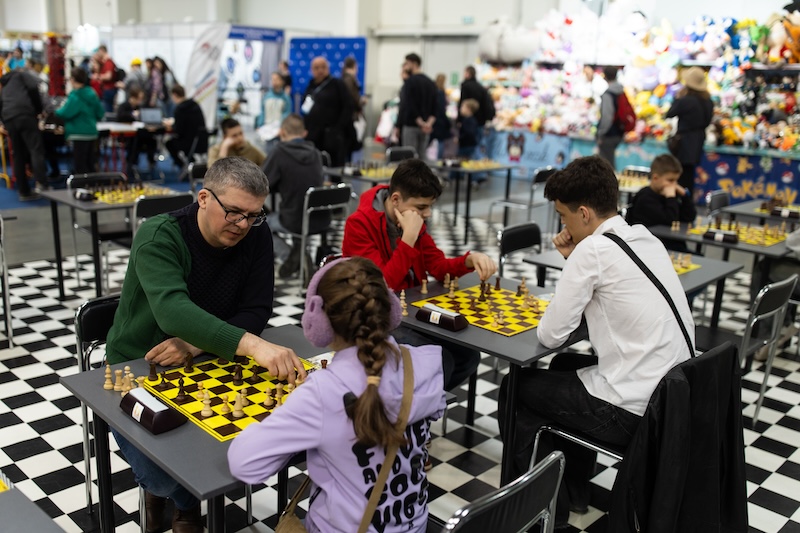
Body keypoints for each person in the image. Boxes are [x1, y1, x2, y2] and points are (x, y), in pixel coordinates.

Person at [106, 157, 307, 533]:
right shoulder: (159, 235)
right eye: (233, 212)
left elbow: (257, 309)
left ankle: (183, 505)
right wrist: (251, 345)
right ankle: (178, 502)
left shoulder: (257, 235)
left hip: (209, 357)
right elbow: (172, 312)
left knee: (221, 458)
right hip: (137, 363)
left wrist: (195, 344)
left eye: (253, 215)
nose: (243, 224)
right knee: (163, 476)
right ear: (203, 198)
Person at [497, 155, 694, 528]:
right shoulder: (643, 236)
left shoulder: (592, 250)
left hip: (632, 411)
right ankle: (574, 490)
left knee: (515, 387)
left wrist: (574, 261)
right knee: (562, 365)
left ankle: (543, 511)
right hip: (670, 400)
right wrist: (576, 260)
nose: (563, 226)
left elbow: (551, 333)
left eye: (563, 217)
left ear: (584, 214)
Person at [229, 256, 445, 533]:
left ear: (318, 320)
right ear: (390, 306)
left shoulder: (322, 392)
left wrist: (290, 418)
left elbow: (245, 465)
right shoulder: (425, 364)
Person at [342, 158, 495, 390]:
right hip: (374, 316)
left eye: (430, 206)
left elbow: (438, 267)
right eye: (422, 207)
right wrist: (408, 239)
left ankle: (422, 399)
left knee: (468, 355)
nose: (428, 214)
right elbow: (380, 287)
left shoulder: (412, 220)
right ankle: (413, 403)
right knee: (440, 361)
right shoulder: (359, 224)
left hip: (412, 312)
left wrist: (469, 260)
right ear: (396, 199)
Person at [262, 113, 324, 275]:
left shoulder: (279, 152)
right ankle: (299, 254)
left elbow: (261, 182)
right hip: (319, 219)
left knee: (258, 225)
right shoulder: (316, 153)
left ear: (282, 132)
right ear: (304, 133)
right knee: (297, 206)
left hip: (293, 220)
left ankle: (290, 256)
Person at [625, 153, 697, 251]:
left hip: (670, 244)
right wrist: (670, 198)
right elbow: (670, 221)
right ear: (655, 178)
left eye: (676, 181)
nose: (674, 185)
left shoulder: (667, 194)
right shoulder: (645, 198)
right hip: (652, 248)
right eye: (670, 180)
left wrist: (684, 196)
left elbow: (689, 217)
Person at [666, 66, 714, 196]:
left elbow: (670, 113)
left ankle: (680, 200)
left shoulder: (685, 100)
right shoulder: (708, 101)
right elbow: (708, 121)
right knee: (689, 173)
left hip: (684, 140)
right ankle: (687, 199)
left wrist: (678, 97)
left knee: (681, 174)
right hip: (698, 139)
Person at [0, 66, 46, 200]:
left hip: (9, 118)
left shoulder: (5, 84)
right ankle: (42, 184)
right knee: (36, 150)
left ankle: (23, 191)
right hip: (25, 114)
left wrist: (4, 121)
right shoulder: (22, 75)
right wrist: (38, 110)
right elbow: (33, 89)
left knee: (17, 154)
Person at [301, 56, 353, 167]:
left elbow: (348, 107)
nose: (320, 70)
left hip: (333, 136)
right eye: (316, 68)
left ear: (328, 68)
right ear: (312, 70)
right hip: (314, 136)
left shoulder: (337, 84)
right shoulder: (310, 87)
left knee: (335, 168)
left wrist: (338, 128)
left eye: (323, 67)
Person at [55, 67, 105, 174]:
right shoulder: (92, 93)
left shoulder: (75, 96)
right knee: (90, 164)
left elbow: (65, 113)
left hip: (78, 133)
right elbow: (100, 113)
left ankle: (83, 184)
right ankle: (93, 183)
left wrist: (55, 110)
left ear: (73, 79)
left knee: (80, 165)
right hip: (92, 132)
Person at [396, 53, 436, 160]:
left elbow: (408, 105)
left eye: (407, 63)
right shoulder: (430, 82)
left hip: (411, 125)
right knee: (422, 157)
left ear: (414, 64)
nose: (405, 66)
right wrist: (427, 124)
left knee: (409, 157)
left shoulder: (409, 82)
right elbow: (435, 107)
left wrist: (419, 122)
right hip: (426, 127)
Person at [164, 84, 208, 170]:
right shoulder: (195, 104)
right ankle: (190, 163)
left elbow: (178, 131)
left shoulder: (179, 109)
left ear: (174, 95)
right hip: (201, 141)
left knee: (169, 143)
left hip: (188, 143)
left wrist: (171, 126)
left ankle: (183, 167)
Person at [116, 87, 157, 175]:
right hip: (126, 134)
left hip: (140, 134)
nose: (140, 101)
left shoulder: (139, 107)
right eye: (139, 99)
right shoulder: (124, 106)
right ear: (133, 97)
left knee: (151, 139)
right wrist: (132, 115)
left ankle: (151, 161)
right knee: (134, 141)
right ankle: (130, 164)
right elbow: (120, 117)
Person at [597, 65, 628, 170]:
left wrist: (601, 133)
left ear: (605, 76)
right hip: (619, 131)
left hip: (609, 134)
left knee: (605, 166)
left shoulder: (608, 94)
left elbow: (607, 117)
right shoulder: (621, 91)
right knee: (609, 164)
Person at [458, 65, 494, 155]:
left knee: (467, 147)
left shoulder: (465, 86)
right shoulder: (481, 87)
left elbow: (462, 101)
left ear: (468, 73)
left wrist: (459, 119)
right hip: (480, 121)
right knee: (478, 146)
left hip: (468, 120)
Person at [258, 71, 291, 153]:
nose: (274, 82)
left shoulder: (286, 98)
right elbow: (262, 111)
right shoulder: (266, 96)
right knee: (267, 152)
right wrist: (259, 124)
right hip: (267, 129)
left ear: (282, 81)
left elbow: (287, 114)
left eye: (277, 79)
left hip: (279, 130)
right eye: (273, 79)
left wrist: (282, 128)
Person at [341, 56, 365, 160]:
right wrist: (361, 102)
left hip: (348, 116)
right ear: (354, 66)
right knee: (350, 145)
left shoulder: (344, 79)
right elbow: (354, 99)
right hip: (352, 117)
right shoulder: (349, 80)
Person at [430, 73, 452, 161]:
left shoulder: (433, 91)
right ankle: (438, 160)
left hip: (434, 119)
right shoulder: (440, 93)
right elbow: (441, 108)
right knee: (440, 142)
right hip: (439, 120)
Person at [93, 45, 117, 113]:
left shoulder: (108, 62)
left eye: (99, 52)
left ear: (102, 51)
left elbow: (108, 76)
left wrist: (98, 77)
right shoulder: (105, 62)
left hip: (108, 89)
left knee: (107, 109)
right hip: (107, 89)